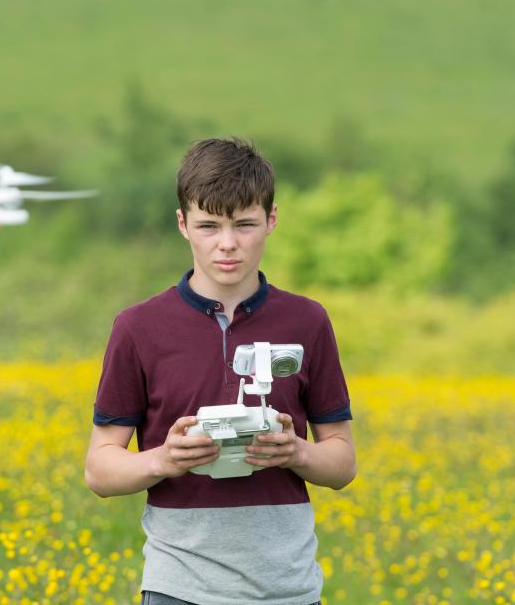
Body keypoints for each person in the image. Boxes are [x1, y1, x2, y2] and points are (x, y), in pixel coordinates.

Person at [84, 138, 356, 605]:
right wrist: (162, 460)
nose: (227, 244)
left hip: (288, 591)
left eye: (245, 224)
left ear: (271, 220)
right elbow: (99, 469)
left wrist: (295, 452)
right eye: (208, 225)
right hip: (179, 589)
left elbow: (343, 462)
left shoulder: (308, 321)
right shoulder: (138, 327)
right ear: (182, 224)